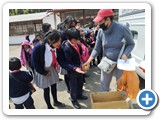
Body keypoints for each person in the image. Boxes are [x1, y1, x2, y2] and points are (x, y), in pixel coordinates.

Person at [83, 9, 135, 91]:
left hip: (121, 61)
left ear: (108, 19)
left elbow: (131, 44)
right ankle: (105, 100)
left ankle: (121, 101)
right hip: (107, 61)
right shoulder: (100, 32)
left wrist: (125, 54)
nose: (98, 24)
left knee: (121, 84)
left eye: (100, 21)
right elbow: (97, 48)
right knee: (103, 83)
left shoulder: (122, 28)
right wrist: (89, 61)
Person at [31, 30, 65, 109]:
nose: (60, 43)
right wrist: (44, 72)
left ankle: (55, 101)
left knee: (54, 86)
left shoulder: (56, 47)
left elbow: (59, 58)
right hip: (42, 70)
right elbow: (34, 63)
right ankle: (49, 106)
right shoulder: (39, 47)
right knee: (46, 90)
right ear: (51, 41)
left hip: (51, 68)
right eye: (58, 41)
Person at [62, 28, 88, 109]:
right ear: (70, 38)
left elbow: (80, 55)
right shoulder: (66, 48)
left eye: (78, 39)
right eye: (75, 39)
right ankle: (74, 100)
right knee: (73, 86)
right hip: (73, 70)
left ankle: (79, 95)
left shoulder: (77, 44)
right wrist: (75, 68)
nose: (77, 40)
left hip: (79, 68)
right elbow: (67, 63)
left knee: (80, 83)